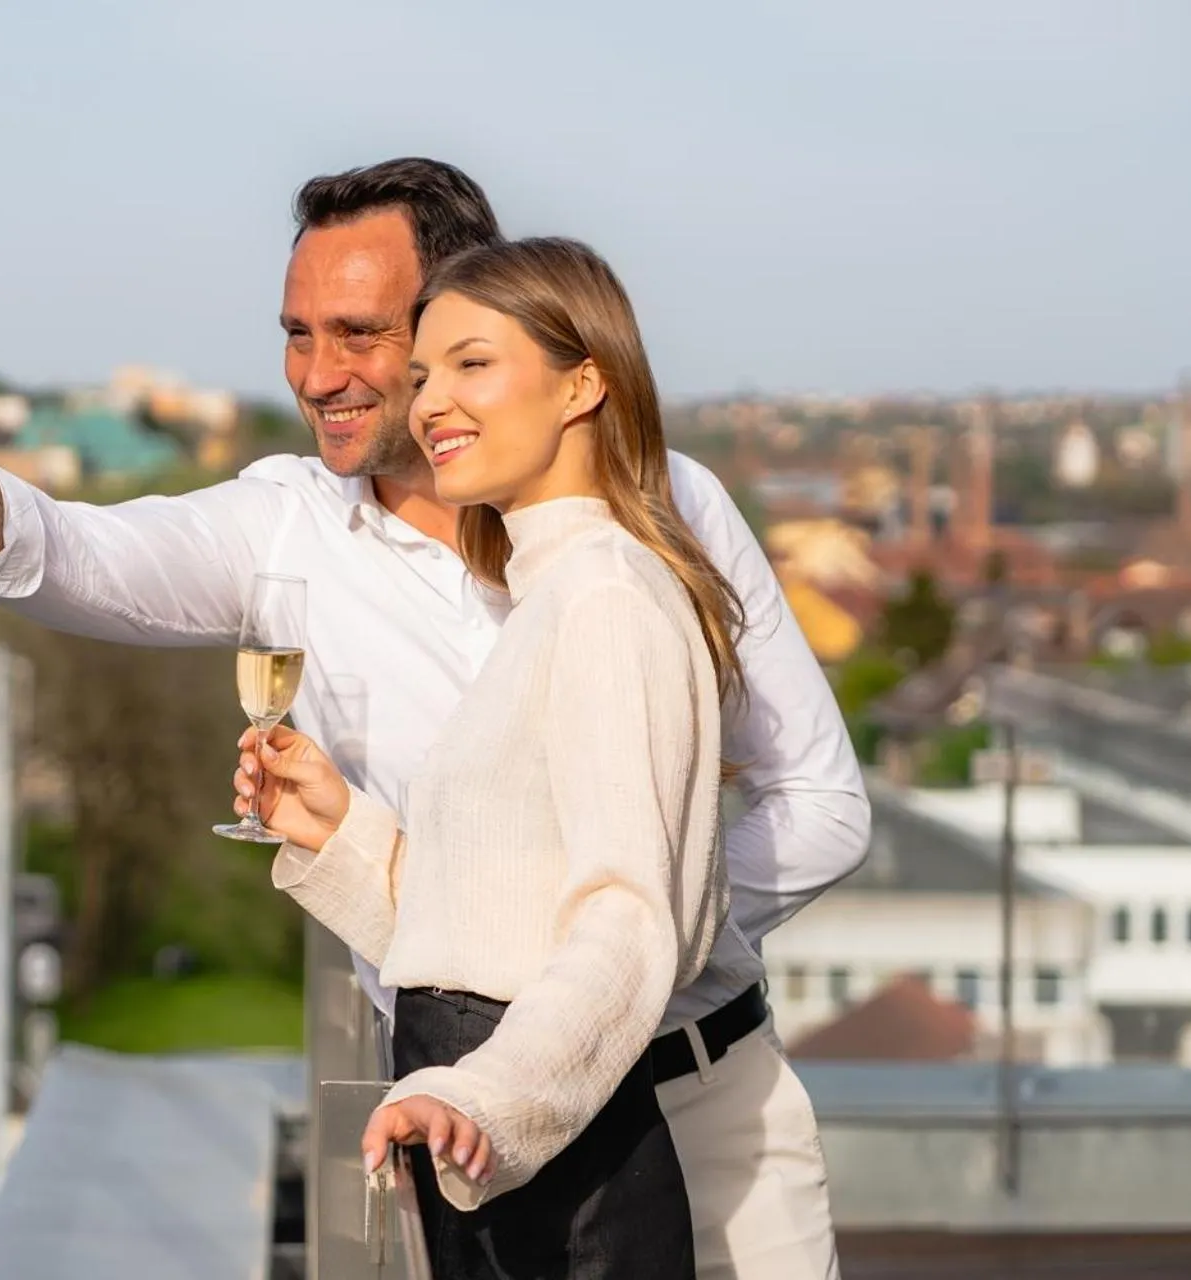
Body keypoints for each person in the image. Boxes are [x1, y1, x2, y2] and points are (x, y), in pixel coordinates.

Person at [0, 158, 866, 1278]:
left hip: (701, 1110)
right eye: (297, 333)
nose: (320, 375)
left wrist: (629, 934)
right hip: (460, 1134)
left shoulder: (655, 525)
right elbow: (56, 554)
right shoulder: (285, 530)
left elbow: (820, 805)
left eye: (361, 333)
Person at [234, 233, 734, 1277]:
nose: (428, 403)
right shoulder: (551, 593)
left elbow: (628, 922)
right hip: (502, 1145)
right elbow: (496, 925)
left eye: (471, 363)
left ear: (582, 383)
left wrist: (479, 1096)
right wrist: (341, 831)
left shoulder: (603, 599)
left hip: (553, 1166)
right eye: (422, 374)